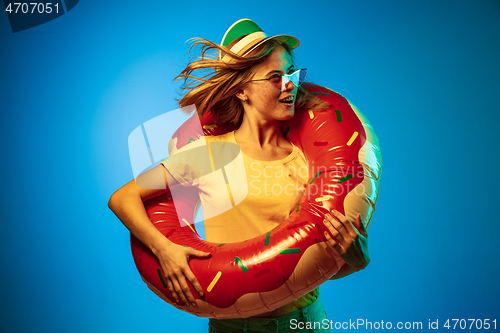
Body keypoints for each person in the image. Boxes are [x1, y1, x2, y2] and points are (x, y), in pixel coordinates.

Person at [108, 19, 370, 333]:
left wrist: (357, 261)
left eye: (291, 72)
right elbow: (122, 198)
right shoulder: (211, 154)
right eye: (275, 77)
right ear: (241, 91)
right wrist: (164, 249)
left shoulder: (306, 162)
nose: (289, 84)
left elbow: (306, 267)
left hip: (309, 322)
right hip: (238, 328)